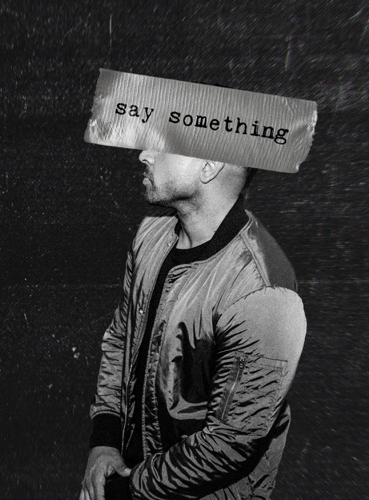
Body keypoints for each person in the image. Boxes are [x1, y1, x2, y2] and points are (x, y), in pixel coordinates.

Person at [80, 150, 307, 500]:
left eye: (166, 144)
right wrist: (105, 441)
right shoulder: (150, 234)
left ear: (209, 166)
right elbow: (121, 340)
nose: (145, 154)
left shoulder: (263, 293)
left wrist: (127, 490)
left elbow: (229, 443)